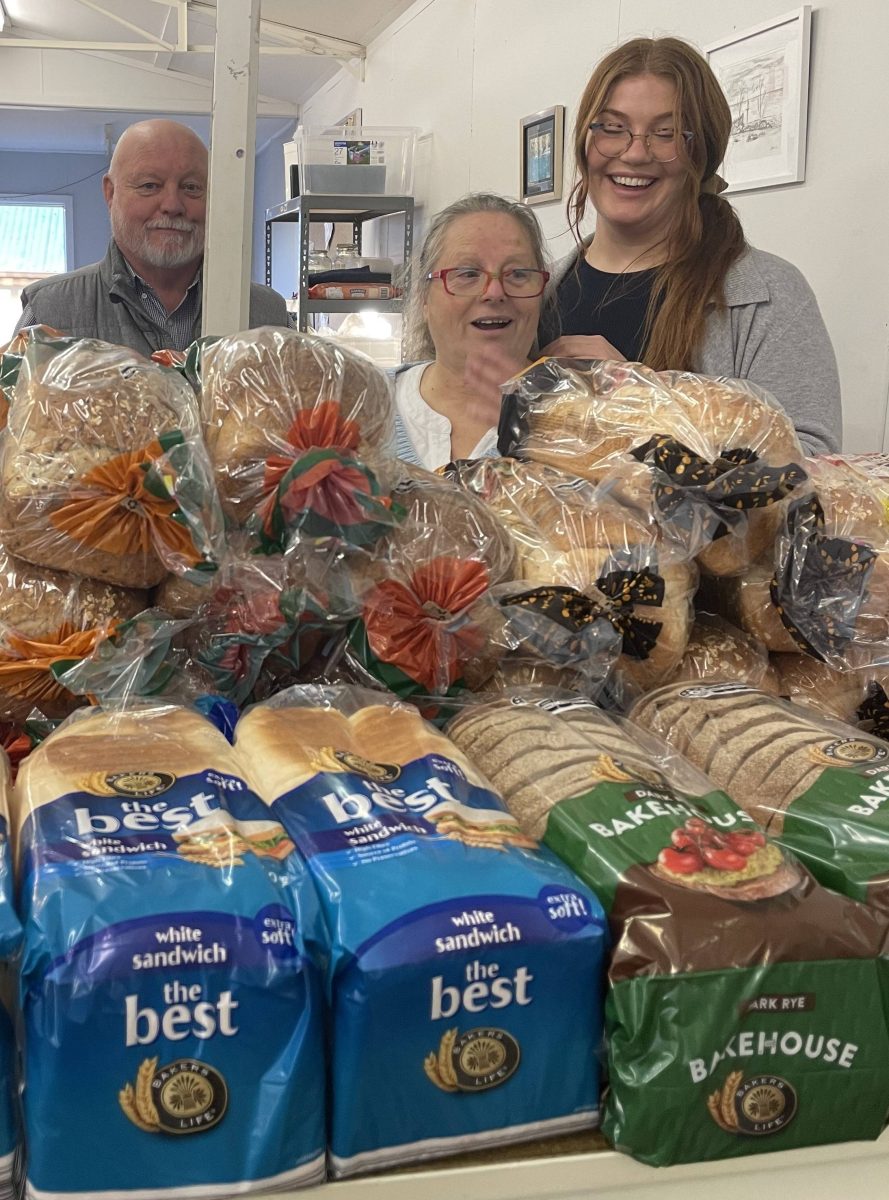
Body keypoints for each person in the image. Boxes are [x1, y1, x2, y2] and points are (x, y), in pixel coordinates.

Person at [537, 37, 841, 455]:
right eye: (612, 127)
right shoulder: (539, 291)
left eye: (666, 133)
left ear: (704, 155)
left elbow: (814, 467)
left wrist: (645, 399)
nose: (636, 153)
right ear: (586, 142)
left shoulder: (768, 295)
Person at [15, 119, 289, 356]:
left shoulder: (268, 315)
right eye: (150, 185)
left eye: (191, 187)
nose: (172, 204)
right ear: (111, 193)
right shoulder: (48, 311)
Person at [397, 193, 550, 469]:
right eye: (467, 274)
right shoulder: (361, 405)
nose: (494, 292)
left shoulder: (582, 420)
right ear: (423, 297)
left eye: (517, 274)